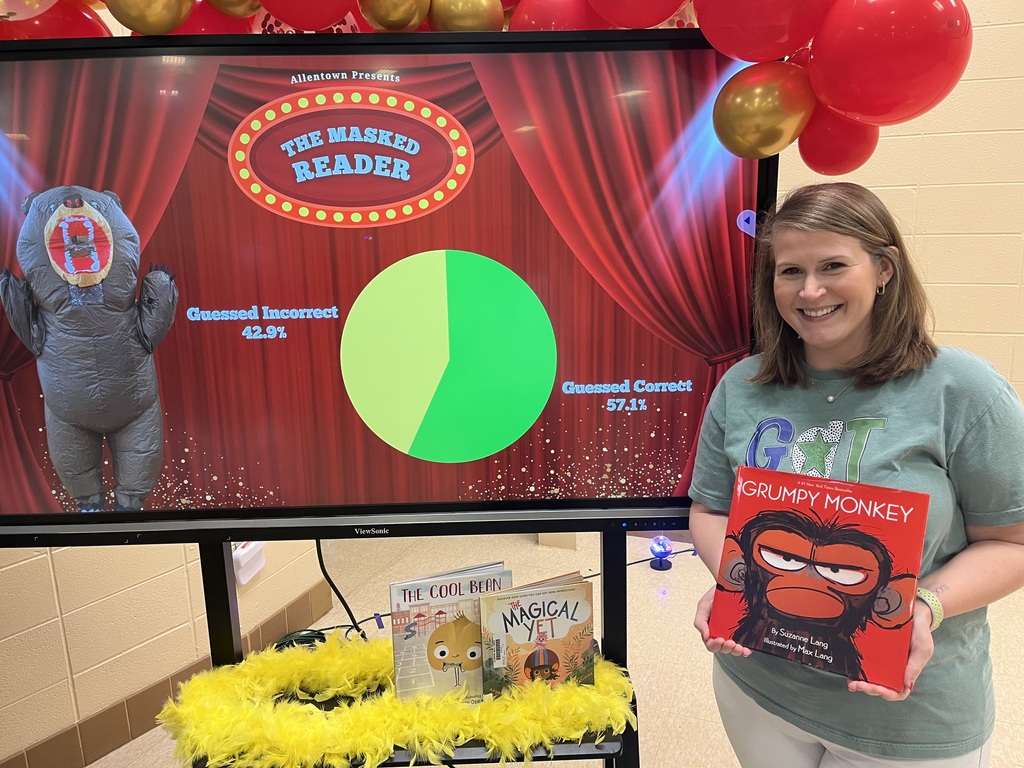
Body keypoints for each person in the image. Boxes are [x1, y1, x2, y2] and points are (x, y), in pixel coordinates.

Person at [688, 182, 1024, 767]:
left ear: (884, 268)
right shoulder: (742, 386)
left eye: (833, 266)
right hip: (761, 689)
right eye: (790, 270)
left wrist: (922, 608)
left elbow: (1014, 542)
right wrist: (737, 583)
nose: (810, 290)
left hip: (907, 713)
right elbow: (713, 508)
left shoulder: (962, 390)